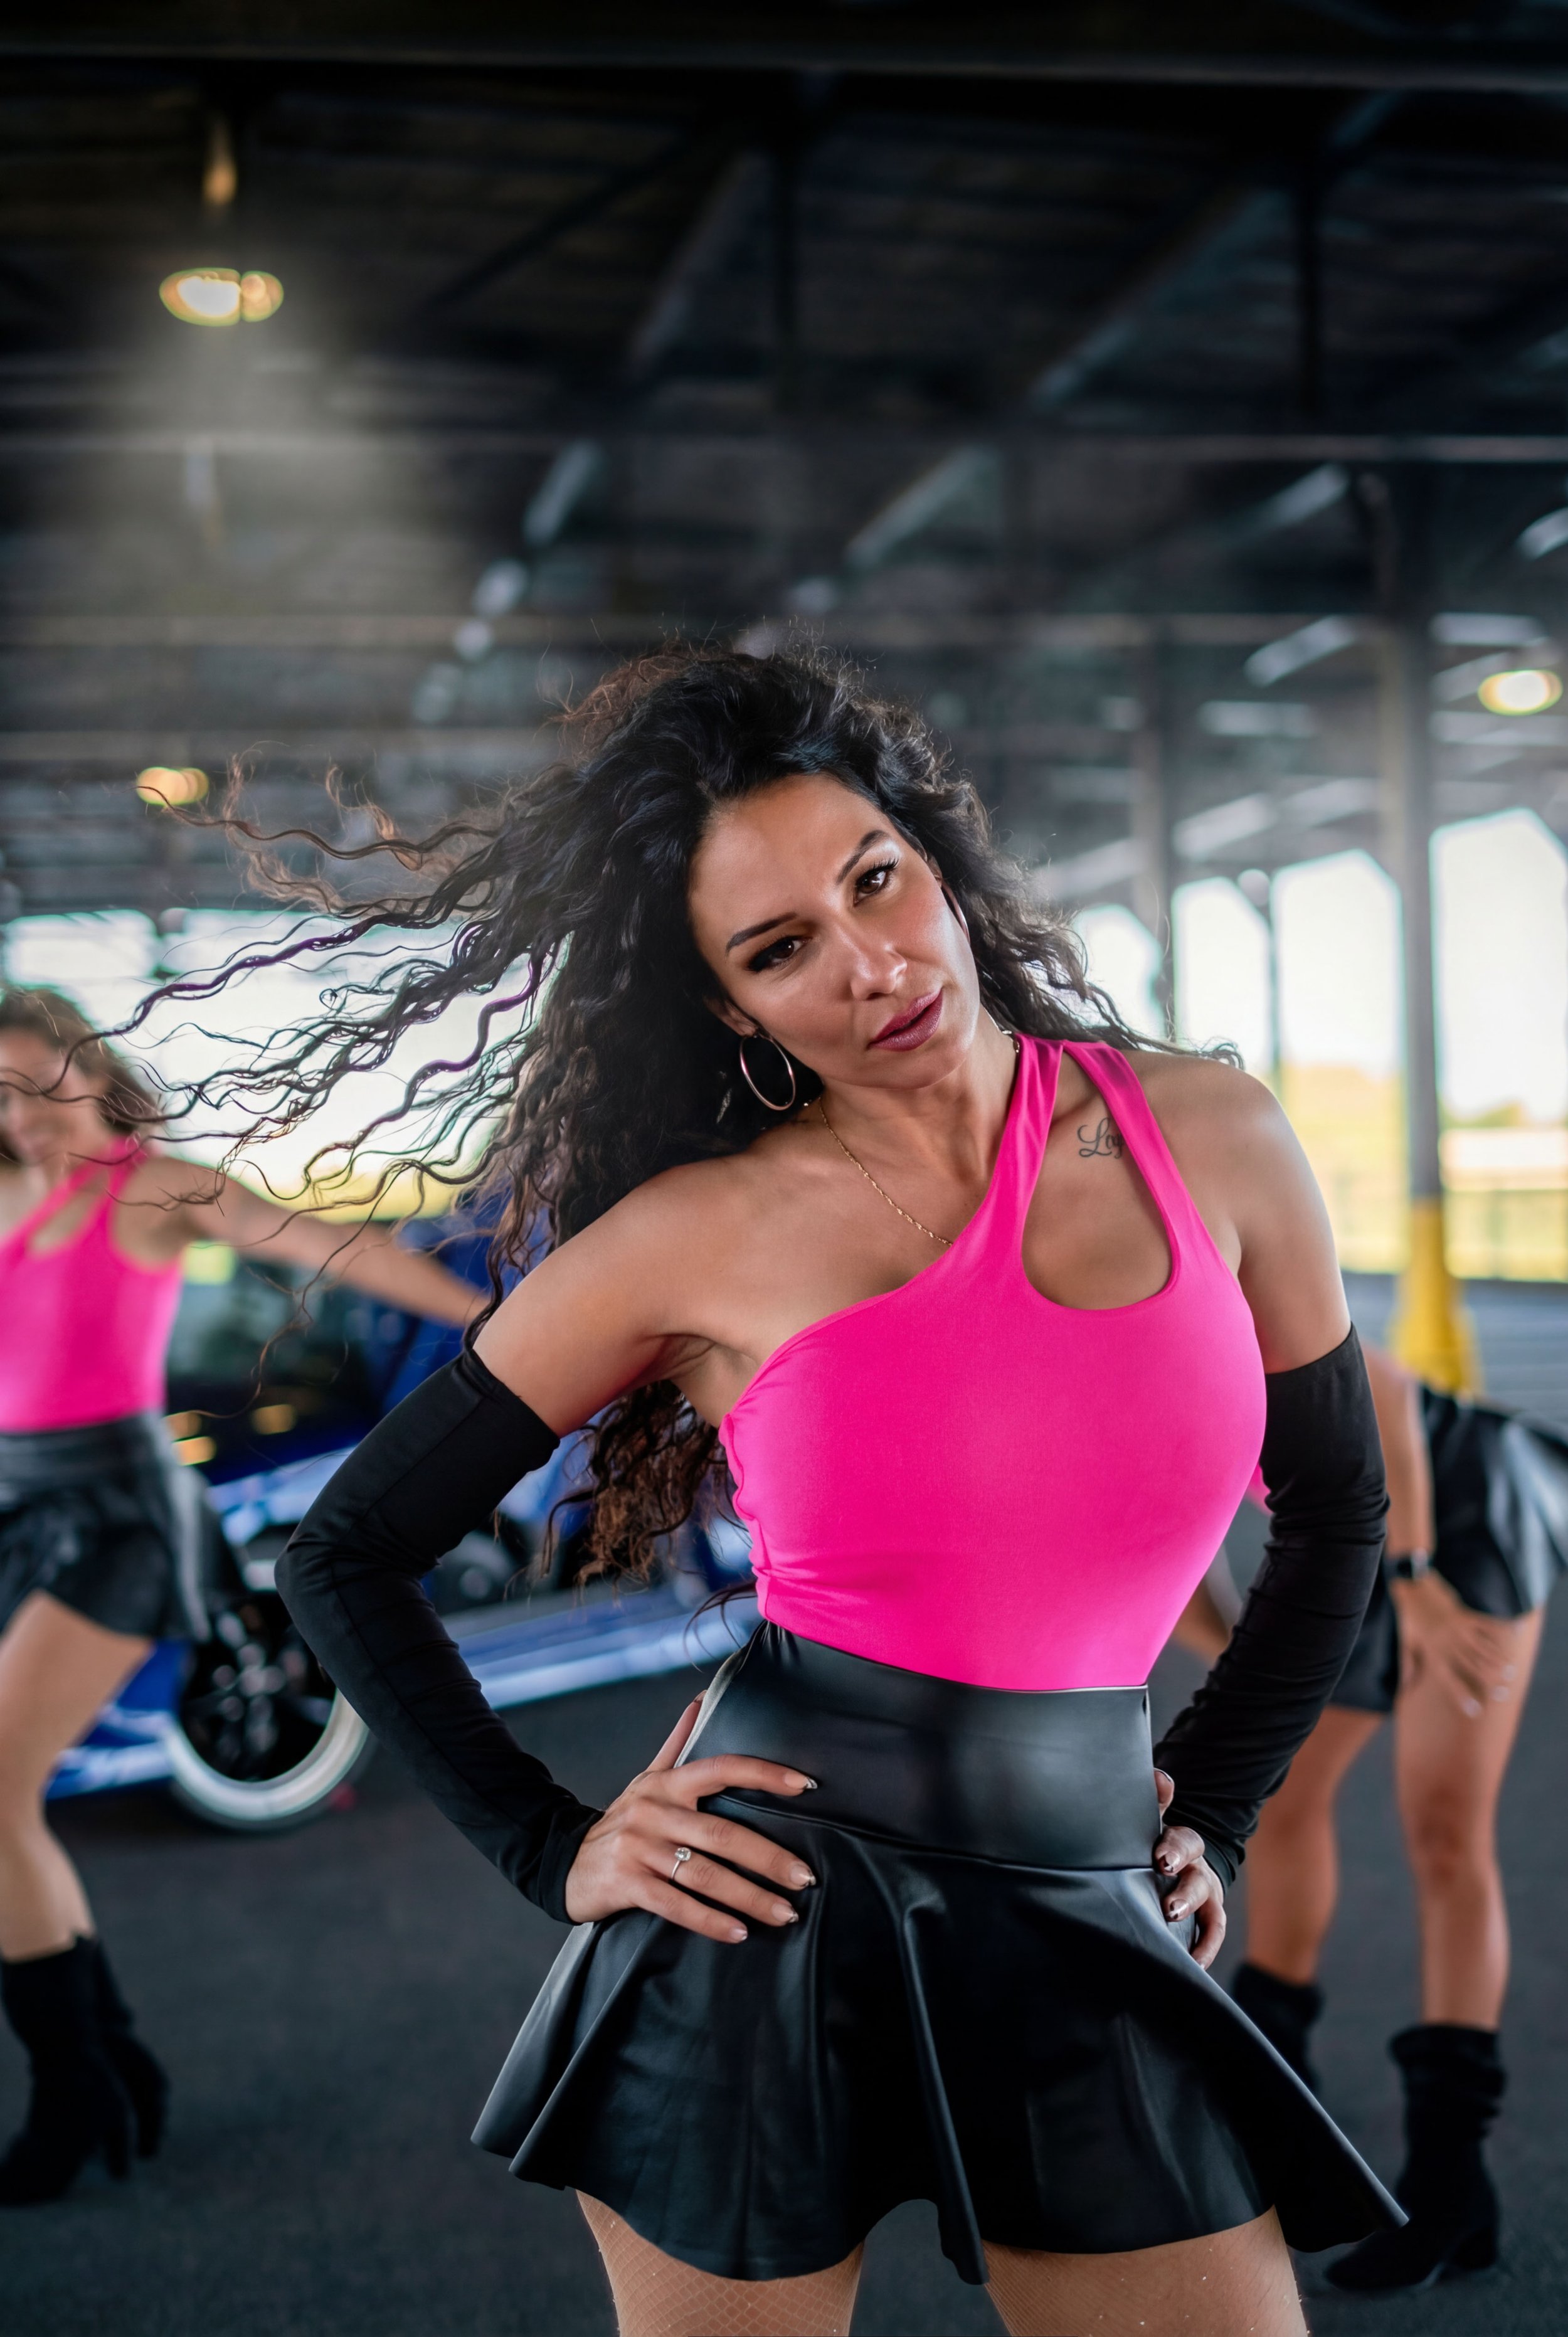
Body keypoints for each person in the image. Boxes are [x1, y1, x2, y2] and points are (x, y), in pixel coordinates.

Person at [247, 645, 1401, 2337]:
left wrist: (1209, 1803)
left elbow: (1337, 1511)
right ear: (730, 1006)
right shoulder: (691, 1236)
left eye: (875, 880)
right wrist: (551, 1842)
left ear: (934, 854)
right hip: (762, 1909)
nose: (868, 964)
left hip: (1088, 1884)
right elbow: (346, 1551)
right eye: (780, 948)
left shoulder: (1209, 1131)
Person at [0, 983, 482, 2205]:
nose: (31, 1113)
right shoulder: (17, 1194)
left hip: (116, 1507)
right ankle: (106, 2070)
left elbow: (339, 1247)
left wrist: (505, 1321)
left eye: (45, 1082)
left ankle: (78, 2087)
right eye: (4, 1095)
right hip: (21, 1501)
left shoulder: (149, 1188)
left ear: (92, 1068)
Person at [1232, 1340, 1567, 2292]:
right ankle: (1276, 2081)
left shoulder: (1207, 1277)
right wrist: (1236, 1665)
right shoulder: (1095, 1383)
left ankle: (1452, 2176)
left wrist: (1417, 1578)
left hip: (1454, 1502)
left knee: (1445, 1824)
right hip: (1352, 1528)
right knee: (1284, 1791)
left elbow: (1381, 1388)